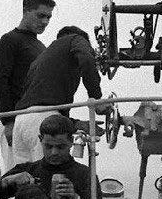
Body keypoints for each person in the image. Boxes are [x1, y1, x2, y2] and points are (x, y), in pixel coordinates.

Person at [11, 25, 106, 164]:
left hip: (20, 121)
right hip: (42, 120)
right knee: (49, 173)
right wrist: (96, 99)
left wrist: (77, 124)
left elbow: (40, 105)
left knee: (23, 174)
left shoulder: (39, 61)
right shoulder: (75, 39)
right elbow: (86, 59)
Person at [0, 0, 55, 169]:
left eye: (49, 17)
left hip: (36, 121)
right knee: (17, 176)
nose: (45, 22)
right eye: (40, 15)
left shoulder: (39, 46)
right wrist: (8, 121)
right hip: (17, 122)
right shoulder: (9, 41)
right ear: (26, 11)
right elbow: (0, 82)